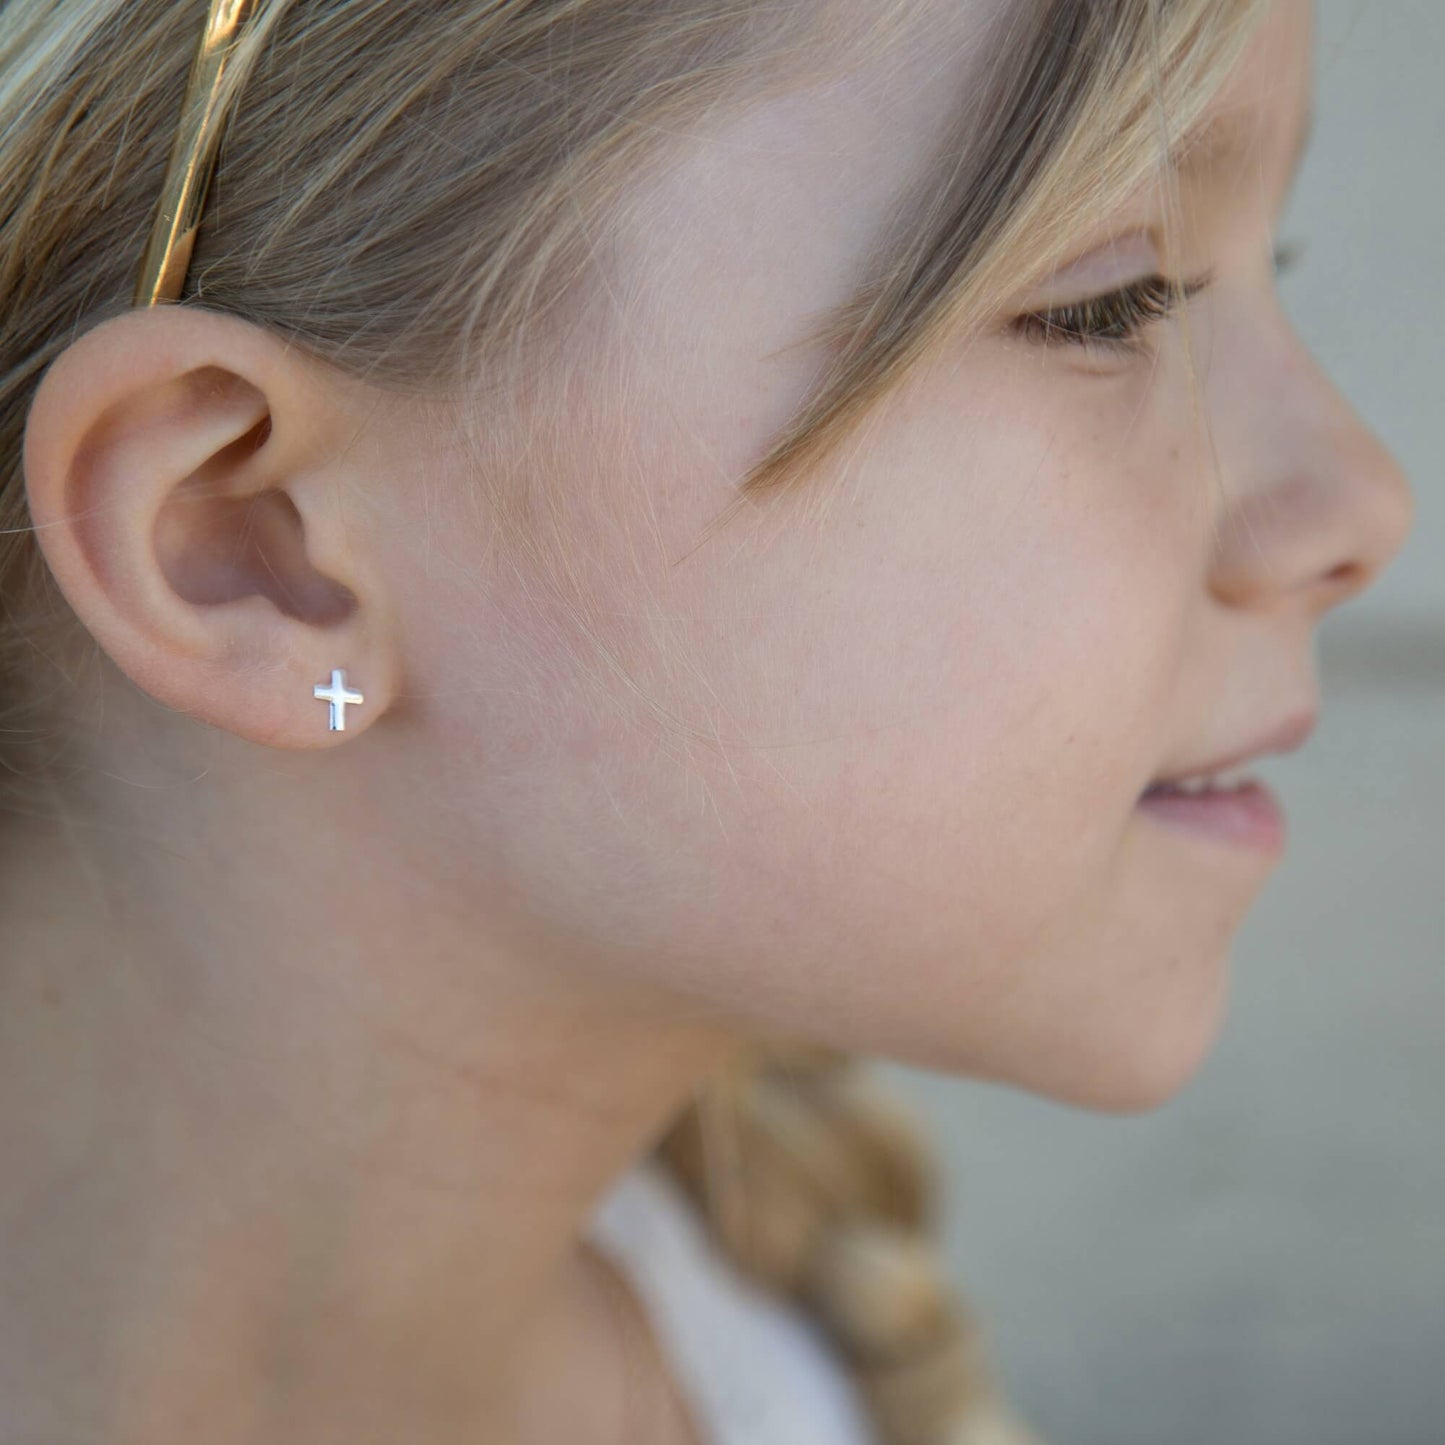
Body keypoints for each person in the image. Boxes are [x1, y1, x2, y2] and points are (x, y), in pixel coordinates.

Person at [0, 0, 1414, 1441]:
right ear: (250, 540)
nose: (1361, 503)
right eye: (1111, 303)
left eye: (1267, 269)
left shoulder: (763, 1376)